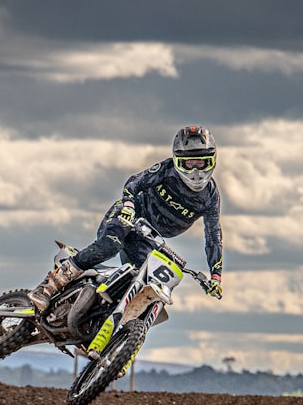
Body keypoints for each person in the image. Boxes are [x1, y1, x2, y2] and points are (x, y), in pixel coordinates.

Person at [28, 125, 224, 312]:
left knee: (146, 283)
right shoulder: (166, 170)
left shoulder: (211, 197)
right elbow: (134, 182)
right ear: (177, 161)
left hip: (148, 238)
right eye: (189, 164)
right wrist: (129, 205)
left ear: (211, 161)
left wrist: (216, 276)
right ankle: (47, 287)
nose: (195, 171)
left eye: (201, 162)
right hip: (129, 216)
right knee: (110, 245)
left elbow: (213, 236)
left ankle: (101, 324)